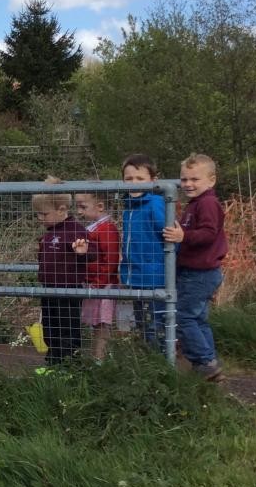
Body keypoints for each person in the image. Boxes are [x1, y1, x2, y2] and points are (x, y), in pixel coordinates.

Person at [162, 154, 227, 380]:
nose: (188, 184)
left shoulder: (207, 203)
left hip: (200, 273)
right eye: (184, 179)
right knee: (197, 318)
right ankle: (209, 361)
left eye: (195, 179)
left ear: (211, 180)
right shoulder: (196, 204)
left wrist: (184, 236)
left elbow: (209, 233)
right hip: (197, 272)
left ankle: (203, 362)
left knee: (183, 317)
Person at [32, 181, 93, 366]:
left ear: (61, 210)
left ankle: (69, 364)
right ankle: (53, 361)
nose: (40, 218)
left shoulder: (75, 230)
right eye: (38, 214)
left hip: (68, 289)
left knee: (67, 328)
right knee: (50, 327)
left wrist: (83, 252)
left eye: (44, 214)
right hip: (49, 288)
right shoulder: (49, 233)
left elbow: (92, 253)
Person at [120, 154, 168, 349]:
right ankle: (149, 357)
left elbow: (170, 236)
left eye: (140, 178)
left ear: (153, 180)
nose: (134, 183)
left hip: (154, 277)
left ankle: (162, 360)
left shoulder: (155, 204)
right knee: (142, 323)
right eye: (129, 178)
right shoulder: (128, 207)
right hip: (135, 276)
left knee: (156, 325)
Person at [73, 190, 120, 362]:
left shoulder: (106, 229)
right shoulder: (93, 229)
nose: (79, 212)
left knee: (102, 323)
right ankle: (99, 357)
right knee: (96, 322)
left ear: (100, 206)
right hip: (93, 283)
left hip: (102, 285)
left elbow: (111, 260)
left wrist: (99, 283)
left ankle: (100, 360)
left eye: (83, 207)